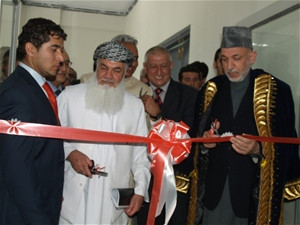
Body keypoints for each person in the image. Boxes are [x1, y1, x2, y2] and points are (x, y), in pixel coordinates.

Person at [192, 26, 300, 225]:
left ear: (252, 57)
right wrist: (205, 145)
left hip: (253, 196)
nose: (229, 66)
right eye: (224, 59)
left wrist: (257, 148)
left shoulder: (276, 91)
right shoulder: (210, 90)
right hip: (214, 195)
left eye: (236, 58)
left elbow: (287, 144)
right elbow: (195, 138)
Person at [58, 41, 151, 225]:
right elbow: (51, 140)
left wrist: (140, 191)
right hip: (74, 194)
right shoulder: (69, 96)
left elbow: (141, 155)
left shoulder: (135, 106)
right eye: (104, 68)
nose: (108, 75)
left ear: (125, 73)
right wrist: (71, 153)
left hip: (112, 198)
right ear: (96, 67)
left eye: (116, 70)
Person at [0, 17, 66, 224]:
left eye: (61, 50)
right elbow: (17, 167)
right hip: (23, 213)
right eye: (53, 49)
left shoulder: (36, 89)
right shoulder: (17, 94)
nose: (61, 57)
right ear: (30, 49)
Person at [138, 46, 198, 225]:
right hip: (141, 180)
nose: (158, 72)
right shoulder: (133, 94)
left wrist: (158, 116)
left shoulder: (189, 95)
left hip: (175, 181)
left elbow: (189, 136)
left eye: (163, 66)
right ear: (145, 67)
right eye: (153, 67)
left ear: (172, 66)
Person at [111, 34, 153, 130]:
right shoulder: (88, 81)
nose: (134, 64)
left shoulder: (144, 90)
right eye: (128, 57)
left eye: (136, 59)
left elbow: (146, 131)